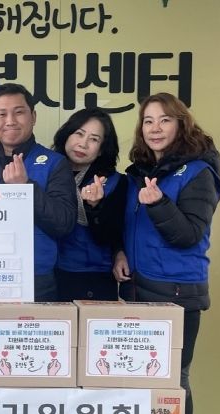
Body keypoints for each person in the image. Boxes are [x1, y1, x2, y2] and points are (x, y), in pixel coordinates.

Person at [113, 93, 220, 414]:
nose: (155, 128)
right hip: (136, 288)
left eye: (164, 120)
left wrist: (159, 203)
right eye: (148, 121)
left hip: (177, 293)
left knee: (174, 379)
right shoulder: (141, 173)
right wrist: (120, 252)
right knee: (137, 375)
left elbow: (189, 234)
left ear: (181, 124)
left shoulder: (198, 172)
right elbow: (131, 228)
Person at [0, 83, 77, 301]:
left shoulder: (55, 163)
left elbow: (64, 224)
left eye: (19, 112)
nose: (10, 121)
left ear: (33, 117)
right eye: (2, 114)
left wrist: (25, 188)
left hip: (36, 278)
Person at [52, 108, 126, 301]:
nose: (83, 144)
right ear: (67, 135)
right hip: (48, 273)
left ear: (101, 149)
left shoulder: (114, 182)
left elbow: (113, 236)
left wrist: (95, 207)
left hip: (92, 276)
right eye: (79, 133)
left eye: (94, 139)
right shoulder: (46, 173)